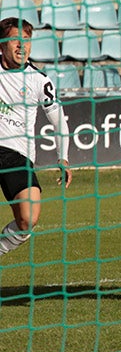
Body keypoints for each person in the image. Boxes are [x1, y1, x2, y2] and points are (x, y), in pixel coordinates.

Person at [0, 18, 72, 259]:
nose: (22, 46)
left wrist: (63, 158)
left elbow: (59, 121)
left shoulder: (39, 80)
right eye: (14, 40)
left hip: (16, 155)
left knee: (27, 220)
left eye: (27, 41)